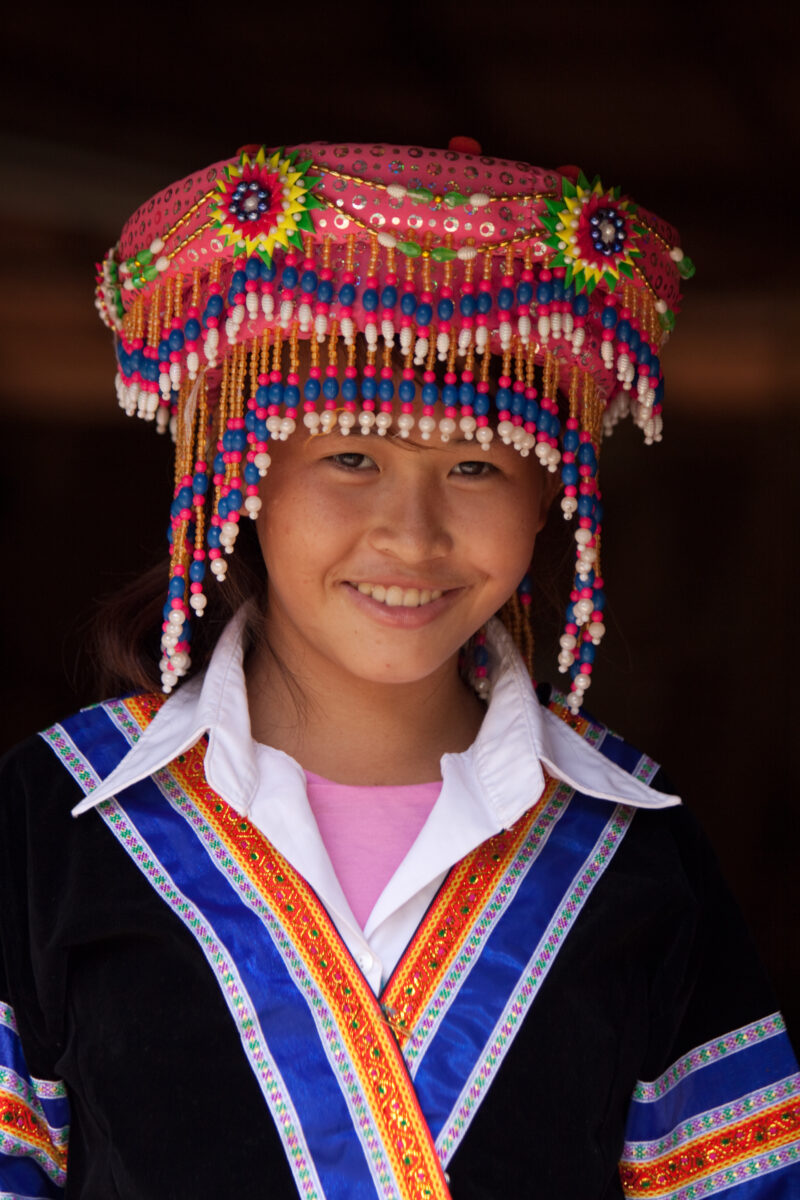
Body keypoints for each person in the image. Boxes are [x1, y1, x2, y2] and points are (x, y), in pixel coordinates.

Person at [0, 139, 797, 1200]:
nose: (411, 535)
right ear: (244, 474)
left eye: (474, 467)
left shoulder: (631, 844)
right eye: (351, 459)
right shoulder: (55, 820)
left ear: (547, 497)